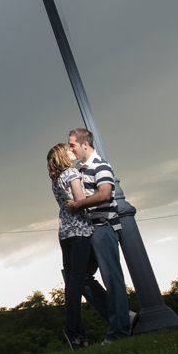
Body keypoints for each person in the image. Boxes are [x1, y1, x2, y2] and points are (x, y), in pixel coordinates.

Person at [66, 127, 132, 342]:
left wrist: (78, 204)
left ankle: (119, 331)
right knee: (79, 277)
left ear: (85, 144)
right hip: (88, 230)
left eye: (73, 145)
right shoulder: (80, 170)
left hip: (103, 228)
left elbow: (105, 194)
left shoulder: (101, 166)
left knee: (112, 279)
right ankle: (122, 319)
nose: (71, 149)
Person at [47, 143, 95, 349]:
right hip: (80, 231)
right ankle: (75, 332)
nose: (71, 151)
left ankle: (77, 334)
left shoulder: (56, 180)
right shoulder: (71, 173)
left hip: (65, 233)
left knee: (73, 282)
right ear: (62, 156)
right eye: (68, 150)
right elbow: (81, 201)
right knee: (80, 280)